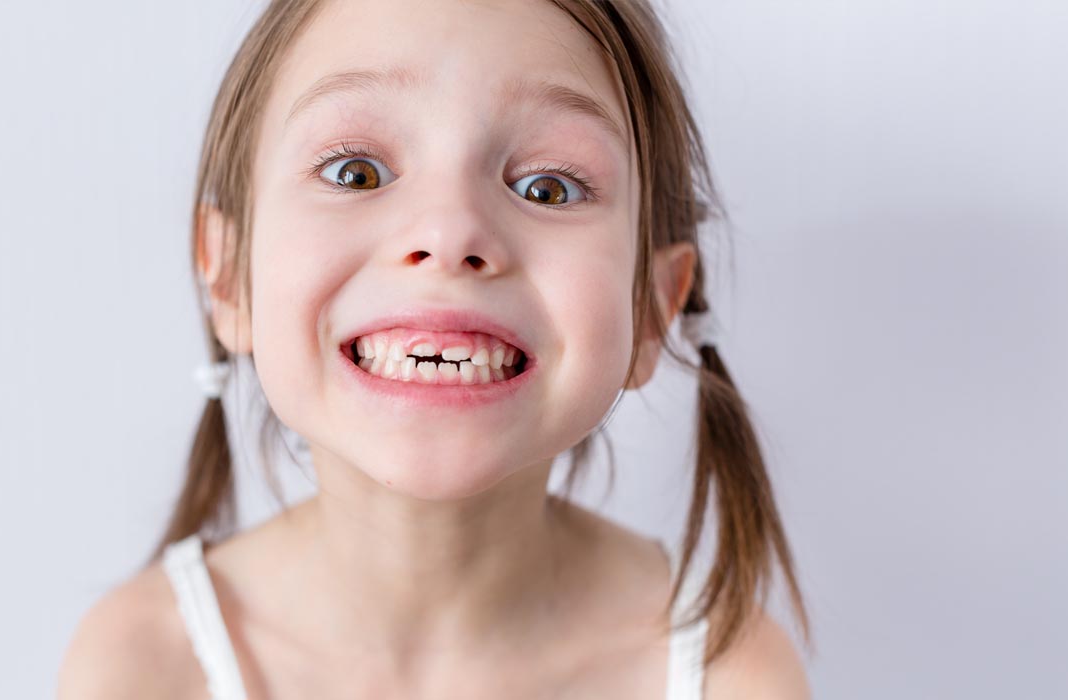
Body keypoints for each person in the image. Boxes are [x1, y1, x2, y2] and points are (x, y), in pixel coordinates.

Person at [58, 0, 812, 697]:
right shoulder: (141, 668)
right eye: (355, 172)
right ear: (227, 276)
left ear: (653, 306)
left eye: (548, 188)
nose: (449, 233)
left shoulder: (733, 677)